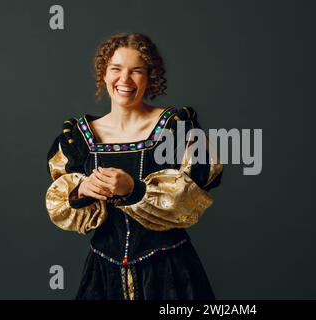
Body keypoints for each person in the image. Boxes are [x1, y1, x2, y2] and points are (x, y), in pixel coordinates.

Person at [45, 33, 223, 300]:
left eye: (136, 71)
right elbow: (62, 205)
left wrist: (134, 189)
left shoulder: (176, 129)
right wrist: (82, 189)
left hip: (169, 274)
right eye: (116, 69)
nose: (124, 80)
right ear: (103, 74)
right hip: (103, 274)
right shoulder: (78, 137)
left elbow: (189, 203)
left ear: (150, 76)